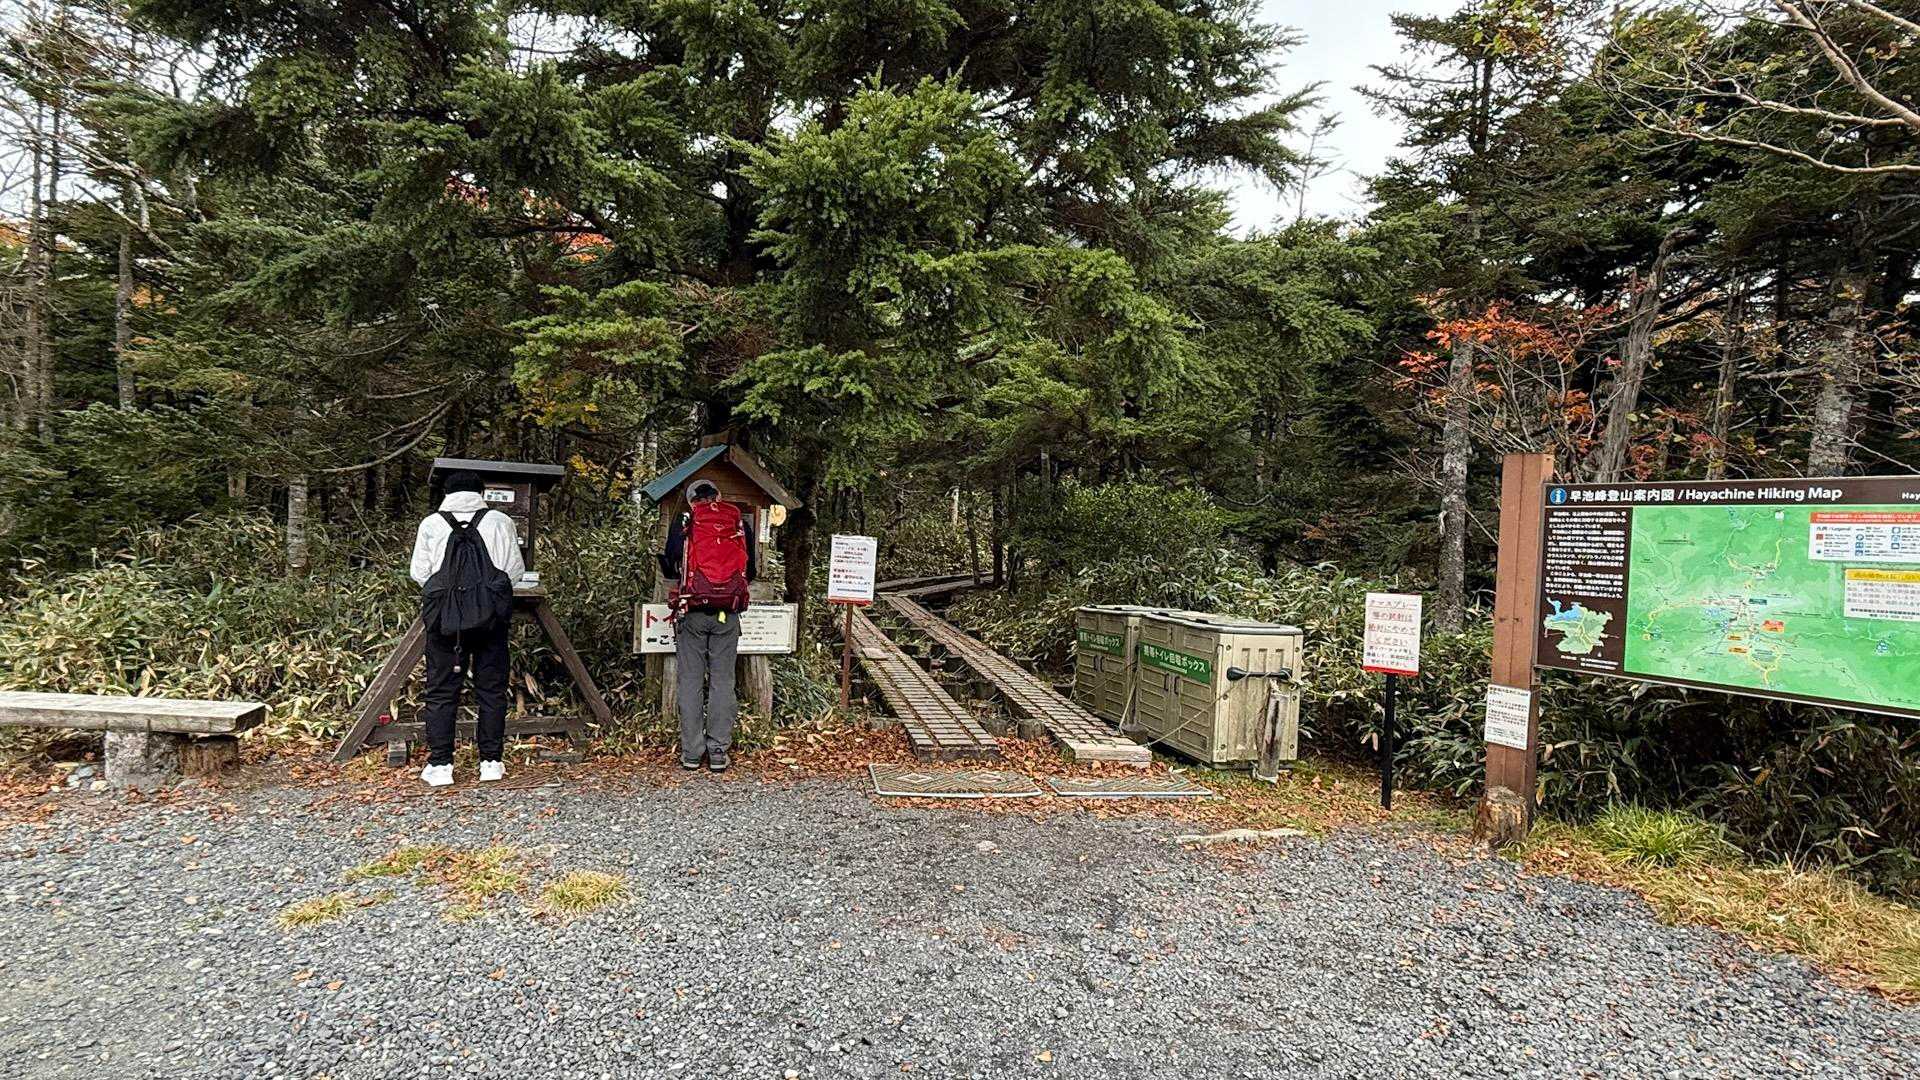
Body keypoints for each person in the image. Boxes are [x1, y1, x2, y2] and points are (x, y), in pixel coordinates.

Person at [409, 469, 525, 787]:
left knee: (441, 691)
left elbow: (420, 573)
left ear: (447, 493)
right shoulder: (501, 521)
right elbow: (514, 572)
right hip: (491, 620)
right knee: (492, 689)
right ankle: (491, 763)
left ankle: (440, 765)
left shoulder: (431, 524)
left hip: (445, 621)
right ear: (481, 493)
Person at [659, 479, 756, 772]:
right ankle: (717, 752)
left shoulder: (685, 522)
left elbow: (670, 564)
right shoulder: (739, 523)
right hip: (728, 612)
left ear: (692, 501)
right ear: (718, 496)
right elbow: (750, 570)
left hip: (692, 611)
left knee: (690, 680)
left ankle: (691, 753)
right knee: (723, 681)